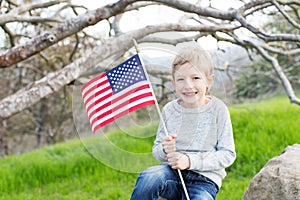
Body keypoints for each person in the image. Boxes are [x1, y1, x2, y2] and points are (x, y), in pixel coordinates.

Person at [130, 42, 236, 200]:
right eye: (181, 79)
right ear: (173, 83)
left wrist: (190, 161)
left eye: (195, 78)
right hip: (173, 174)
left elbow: (227, 154)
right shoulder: (169, 110)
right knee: (150, 177)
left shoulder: (218, 110)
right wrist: (165, 149)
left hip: (205, 180)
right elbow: (157, 151)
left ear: (209, 81)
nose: (188, 85)